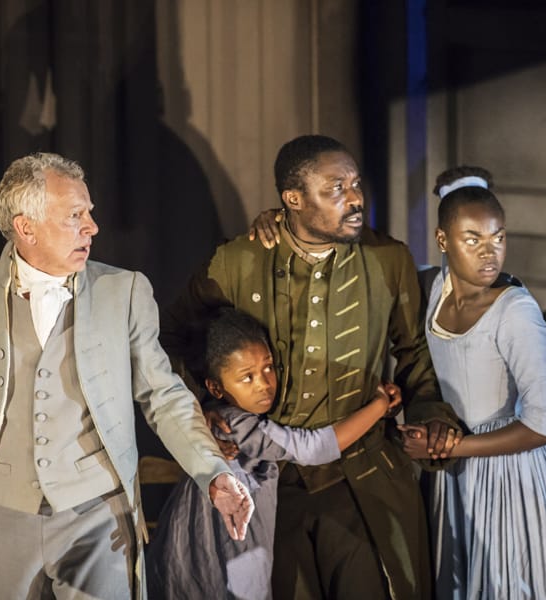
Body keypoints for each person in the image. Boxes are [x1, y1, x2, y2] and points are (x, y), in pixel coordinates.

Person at [0, 152, 255, 600]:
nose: (92, 227)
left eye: (89, 213)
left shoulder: (125, 291)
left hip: (99, 519)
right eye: (75, 215)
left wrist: (215, 472)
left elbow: (164, 396)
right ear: (25, 227)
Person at [162, 134, 461, 599]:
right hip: (268, 479)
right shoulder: (239, 261)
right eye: (336, 188)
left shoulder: (389, 259)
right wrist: (203, 408)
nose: (355, 198)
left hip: (359, 473)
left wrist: (429, 416)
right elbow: (172, 337)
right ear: (293, 199)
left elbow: (413, 352)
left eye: (356, 184)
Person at [397, 166, 546, 599]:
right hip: (453, 479)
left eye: (498, 237)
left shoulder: (515, 312)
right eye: (472, 240)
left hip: (513, 475)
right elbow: (371, 263)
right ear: (443, 241)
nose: (489, 253)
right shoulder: (429, 287)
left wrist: (453, 447)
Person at [146, 308, 402, 599]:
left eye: (268, 367)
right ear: (215, 387)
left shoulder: (218, 415)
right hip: (226, 554)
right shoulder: (235, 426)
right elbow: (311, 447)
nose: (264, 384)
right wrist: (379, 405)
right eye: (248, 377)